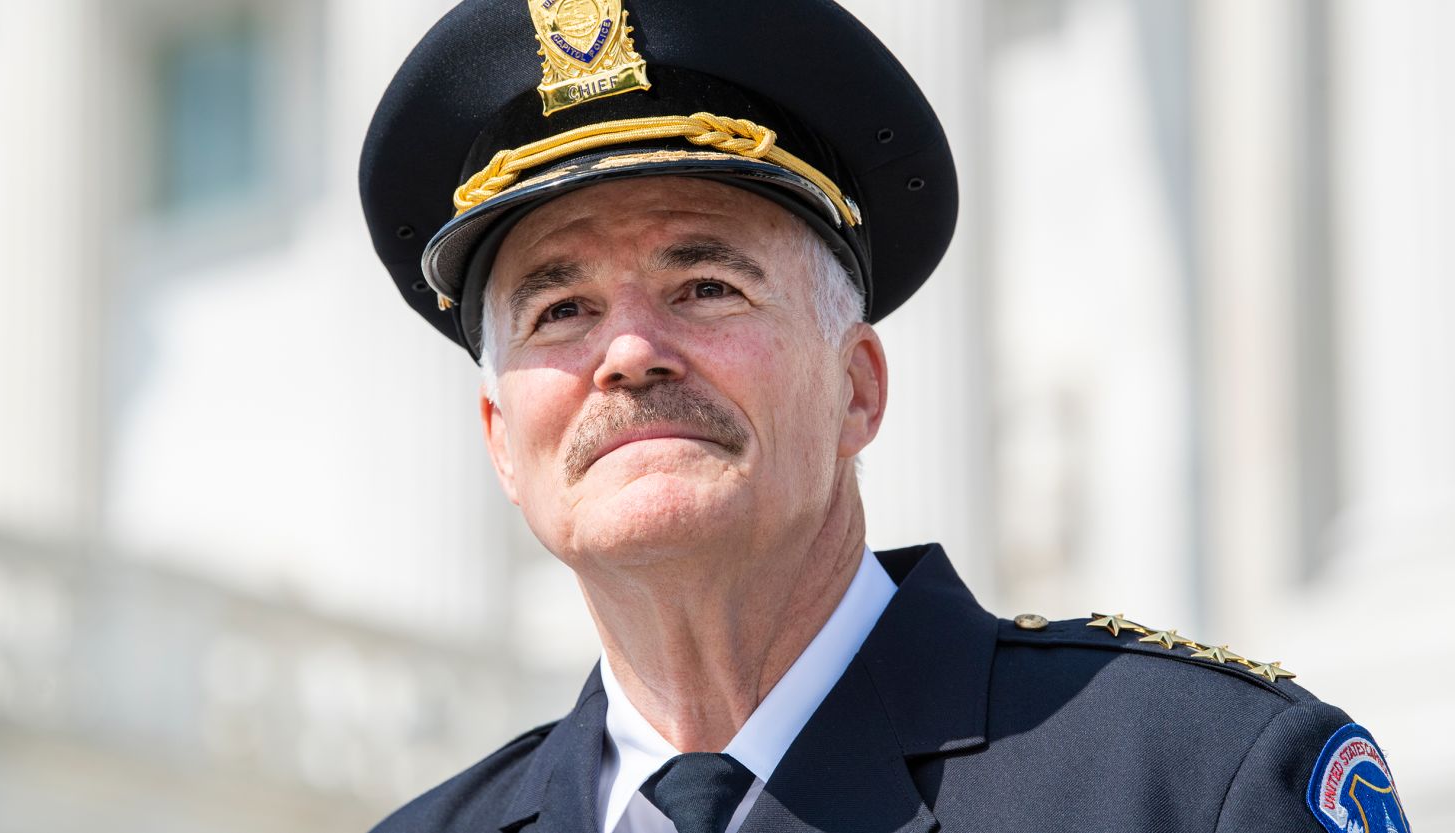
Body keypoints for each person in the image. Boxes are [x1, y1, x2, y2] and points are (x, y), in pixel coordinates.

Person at [359, 1, 1410, 831]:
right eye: (562, 309)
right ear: (502, 438)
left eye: (706, 287)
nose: (630, 352)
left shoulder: (1188, 779)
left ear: (858, 385)